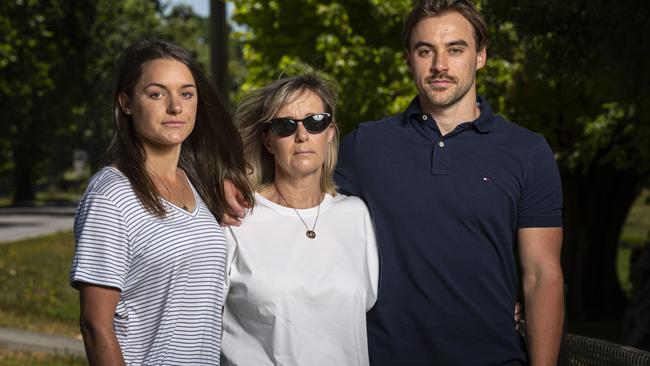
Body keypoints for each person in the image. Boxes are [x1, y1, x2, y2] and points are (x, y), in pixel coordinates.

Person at [223, 1, 564, 365]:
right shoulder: (367, 146)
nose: (440, 66)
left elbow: (542, 274)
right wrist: (225, 181)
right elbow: (296, 177)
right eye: (425, 51)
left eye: (455, 49)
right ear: (408, 58)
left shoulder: (527, 152)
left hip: (493, 356)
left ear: (481, 55)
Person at [69, 39, 252, 365]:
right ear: (126, 103)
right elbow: (96, 326)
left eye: (186, 93)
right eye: (156, 94)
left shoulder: (196, 186)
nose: (175, 107)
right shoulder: (110, 196)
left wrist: (218, 181)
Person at [220, 74, 379, 366]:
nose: (302, 135)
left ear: (330, 131)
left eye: (315, 121)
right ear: (268, 141)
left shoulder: (355, 215)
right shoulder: (236, 218)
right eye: (285, 125)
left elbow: (364, 305)